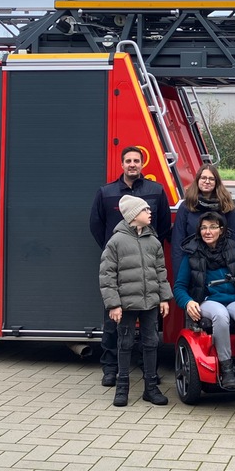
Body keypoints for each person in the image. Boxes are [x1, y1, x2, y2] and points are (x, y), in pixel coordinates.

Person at [89, 146, 172, 388]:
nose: (132, 164)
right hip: (119, 269)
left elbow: (164, 225)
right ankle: (110, 369)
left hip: (146, 267)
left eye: (137, 160)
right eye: (128, 161)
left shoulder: (155, 191)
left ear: (142, 164)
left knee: (149, 325)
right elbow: (96, 226)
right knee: (113, 322)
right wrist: (112, 250)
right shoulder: (106, 193)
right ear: (122, 164)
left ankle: (149, 372)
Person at [98, 196, 173, 407]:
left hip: (150, 303)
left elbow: (161, 271)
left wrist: (164, 298)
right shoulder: (116, 242)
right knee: (125, 343)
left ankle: (151, 387)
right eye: (145, 209)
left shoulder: (154, 241)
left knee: (151, 343)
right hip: (127, 304)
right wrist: (113, 303)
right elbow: (107, 275)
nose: (150, 212)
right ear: (133, 215)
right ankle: (122, 387)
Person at [174, 212, 235, 391]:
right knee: (221, 315)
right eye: (203, 227)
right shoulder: (191, 253)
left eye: (212, 227)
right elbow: (179, 287)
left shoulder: (234, 248)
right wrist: (188, 302)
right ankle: (226, 368)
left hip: (234, 297)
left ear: (221, 229)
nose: (208, 231)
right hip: (207, 300)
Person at [171, 164, 235, 265]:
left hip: (220, 265)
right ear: (197, 180)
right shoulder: (186, 206)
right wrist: (179, 273)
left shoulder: (225, 206)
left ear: (216, 182)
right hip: (193, 264)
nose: (207, 181)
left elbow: (234, 240)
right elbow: (177, 242)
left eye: (211, 179)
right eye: (203, 178)